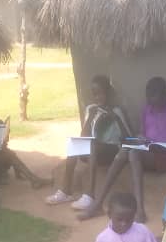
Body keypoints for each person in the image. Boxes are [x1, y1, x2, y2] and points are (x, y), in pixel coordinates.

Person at [80, 77, 166, 224]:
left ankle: (139, 210)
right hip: (150, 151)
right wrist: (141, 139)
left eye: (156, 98)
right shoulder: (147, 110)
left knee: (133, 153)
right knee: (125, 150)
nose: (152, 103)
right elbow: (144, 134)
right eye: (149, 98)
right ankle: (98, 204)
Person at [48, 75, 133, 209]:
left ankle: (89, 196)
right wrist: (91, 117)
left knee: (92, 144)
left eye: (100, 93)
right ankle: (65, 191)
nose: (97, 97)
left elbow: (129, 137)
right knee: (75, 142)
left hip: (111, 151)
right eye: (94, 94)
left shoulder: (117, 111)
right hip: (93, 151)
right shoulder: (90, 109)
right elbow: (83, 135)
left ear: (108, 93)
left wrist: (115, 118)